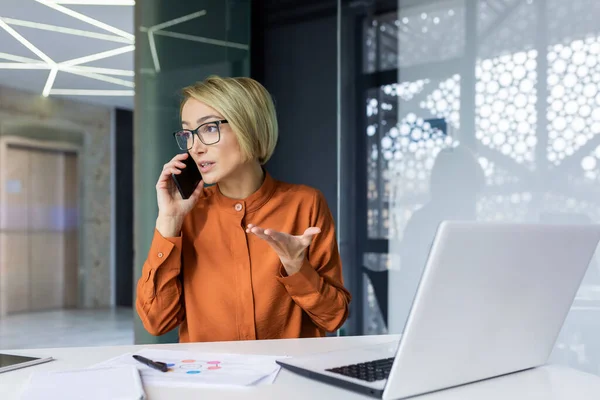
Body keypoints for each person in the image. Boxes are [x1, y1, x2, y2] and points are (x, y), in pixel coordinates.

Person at [136, 76, 351, 342]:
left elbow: (334, 317)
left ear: (249, 126)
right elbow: (156, 321)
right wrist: (169, 222)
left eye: (209, 129)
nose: (196, 147)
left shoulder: (305, 204)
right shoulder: (186, 215)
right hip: (209, 379)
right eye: (188, 133)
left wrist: (297, 268)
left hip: (284, 379)